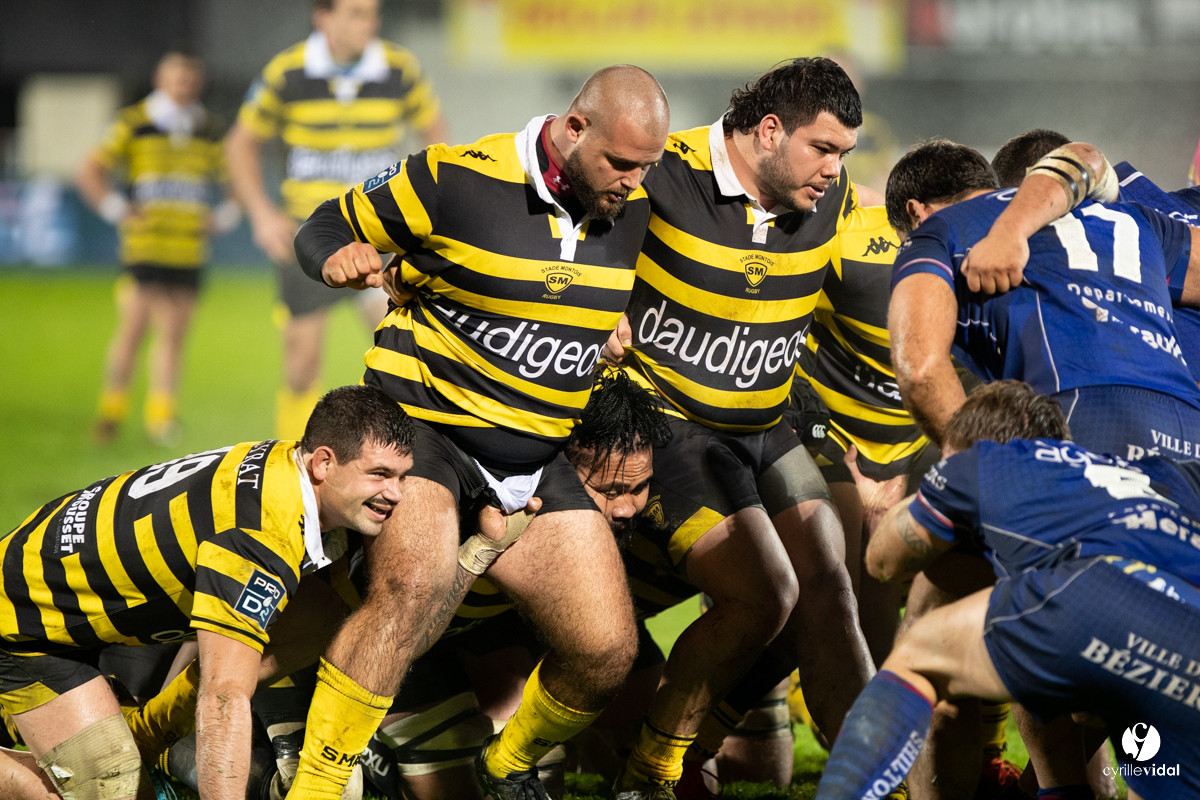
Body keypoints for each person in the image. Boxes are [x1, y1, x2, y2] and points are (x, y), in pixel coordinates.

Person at [287, 65, 670, 800]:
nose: (632, 181)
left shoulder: (636, 209)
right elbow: (325, 225)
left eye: (645, 166)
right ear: (574, 125)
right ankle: (317, 783)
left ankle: (505, 769)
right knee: (413, 587)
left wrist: (605, 325)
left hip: (532, 457)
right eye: (621, 163)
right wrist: (337, 257)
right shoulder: (454, 179)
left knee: (604, 647)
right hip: (426, 431)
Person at [603, 56, 875, 797]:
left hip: (766, 422)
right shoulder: (665, 175)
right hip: (669, 425)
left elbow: (873, 232)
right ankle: (654, 771)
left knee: (830, 584)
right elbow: (556, 227)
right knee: (767, 591)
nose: (833, 170)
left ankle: (871, 782)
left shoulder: (832, 191)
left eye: (843, 154)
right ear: (767, 130)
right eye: (822, 149)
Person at [0, 384, 414, 800]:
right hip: (23, 625)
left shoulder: (288, 466)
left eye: (402, 475)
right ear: (324, 462)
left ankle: (140, 737)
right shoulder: (258, 536)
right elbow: (224, 696)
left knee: (321, 614)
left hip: (74, 596)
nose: (395, 494)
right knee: (114, 789)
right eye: (379, 474)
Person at [816, 379, 1200, 800]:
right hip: (1185, 626)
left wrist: (883, 508)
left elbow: (883, 562)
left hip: (1092, 597)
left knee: (918, 650)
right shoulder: (1143, 473)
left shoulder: (986, 459)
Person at [886, 137, 1200, 459]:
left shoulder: (936, 232)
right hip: (1188, 416)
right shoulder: (1132, 216)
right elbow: (1084, 155)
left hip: (1078, 411)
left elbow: (921, 370)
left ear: (915, 213)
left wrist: (972, 468)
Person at [225, 0, 447, 440]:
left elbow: (436, 134)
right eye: (356, 13)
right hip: (310, 237)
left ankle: (412, 463)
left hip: (379, 233)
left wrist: (426, 209)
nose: (370, 23)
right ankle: (295, 472)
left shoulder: (399, 69)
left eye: (373, 13)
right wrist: (263, 216)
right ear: (323, 17)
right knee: (301, 363)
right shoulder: (287, 72)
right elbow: (239, 144)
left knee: (409, 352)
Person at [77, 49, 240, 447]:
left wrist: (225, 215)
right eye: (176, 75)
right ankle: (111, 410)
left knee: (174, 335)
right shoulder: (134, 123)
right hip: (145, 246)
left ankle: (161, 417)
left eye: (189, 76)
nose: (183, 82)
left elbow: (236, 177)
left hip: (187, 249)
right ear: (159, 78)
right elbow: (90, 170)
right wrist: (115, 207)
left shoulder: (209, 130)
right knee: (133, 328)